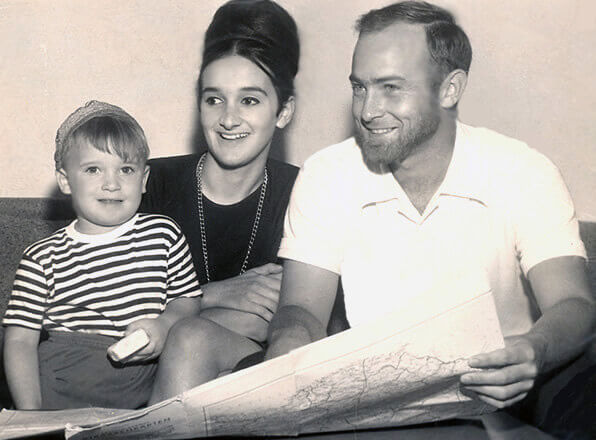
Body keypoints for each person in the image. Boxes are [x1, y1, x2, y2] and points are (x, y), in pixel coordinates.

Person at [266, 0, 595, 427]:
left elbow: (572, 303)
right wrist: (289, 346)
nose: (367, 111)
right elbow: (302, 309)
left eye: (391, 88)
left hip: (508, 380)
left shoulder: (523, 170)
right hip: (378, 385)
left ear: (450, 89)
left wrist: (533, 351)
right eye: (359, 87)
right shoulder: (325, 174)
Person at [145, 0, 347, 403]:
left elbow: (327, 332)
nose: (229, 119)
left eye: (250, 100)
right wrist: (213, 296)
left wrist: (199, 319)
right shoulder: (150, 183)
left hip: (261, 380)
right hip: (140, 373)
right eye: (214, 99)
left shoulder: (309, 194)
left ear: (284, 110)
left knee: (192, 335)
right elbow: (93, 305)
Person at [2, 100, 203, 409]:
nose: (112, 183)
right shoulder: (41, 257)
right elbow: (19, 340)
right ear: (66, 181)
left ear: (144, 179)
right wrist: (31, 414)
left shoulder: (164, 235)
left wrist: (164, 325)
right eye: (93, 169)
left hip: (143, 393)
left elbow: (188, 300)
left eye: (126, 169)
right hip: (60, 392)